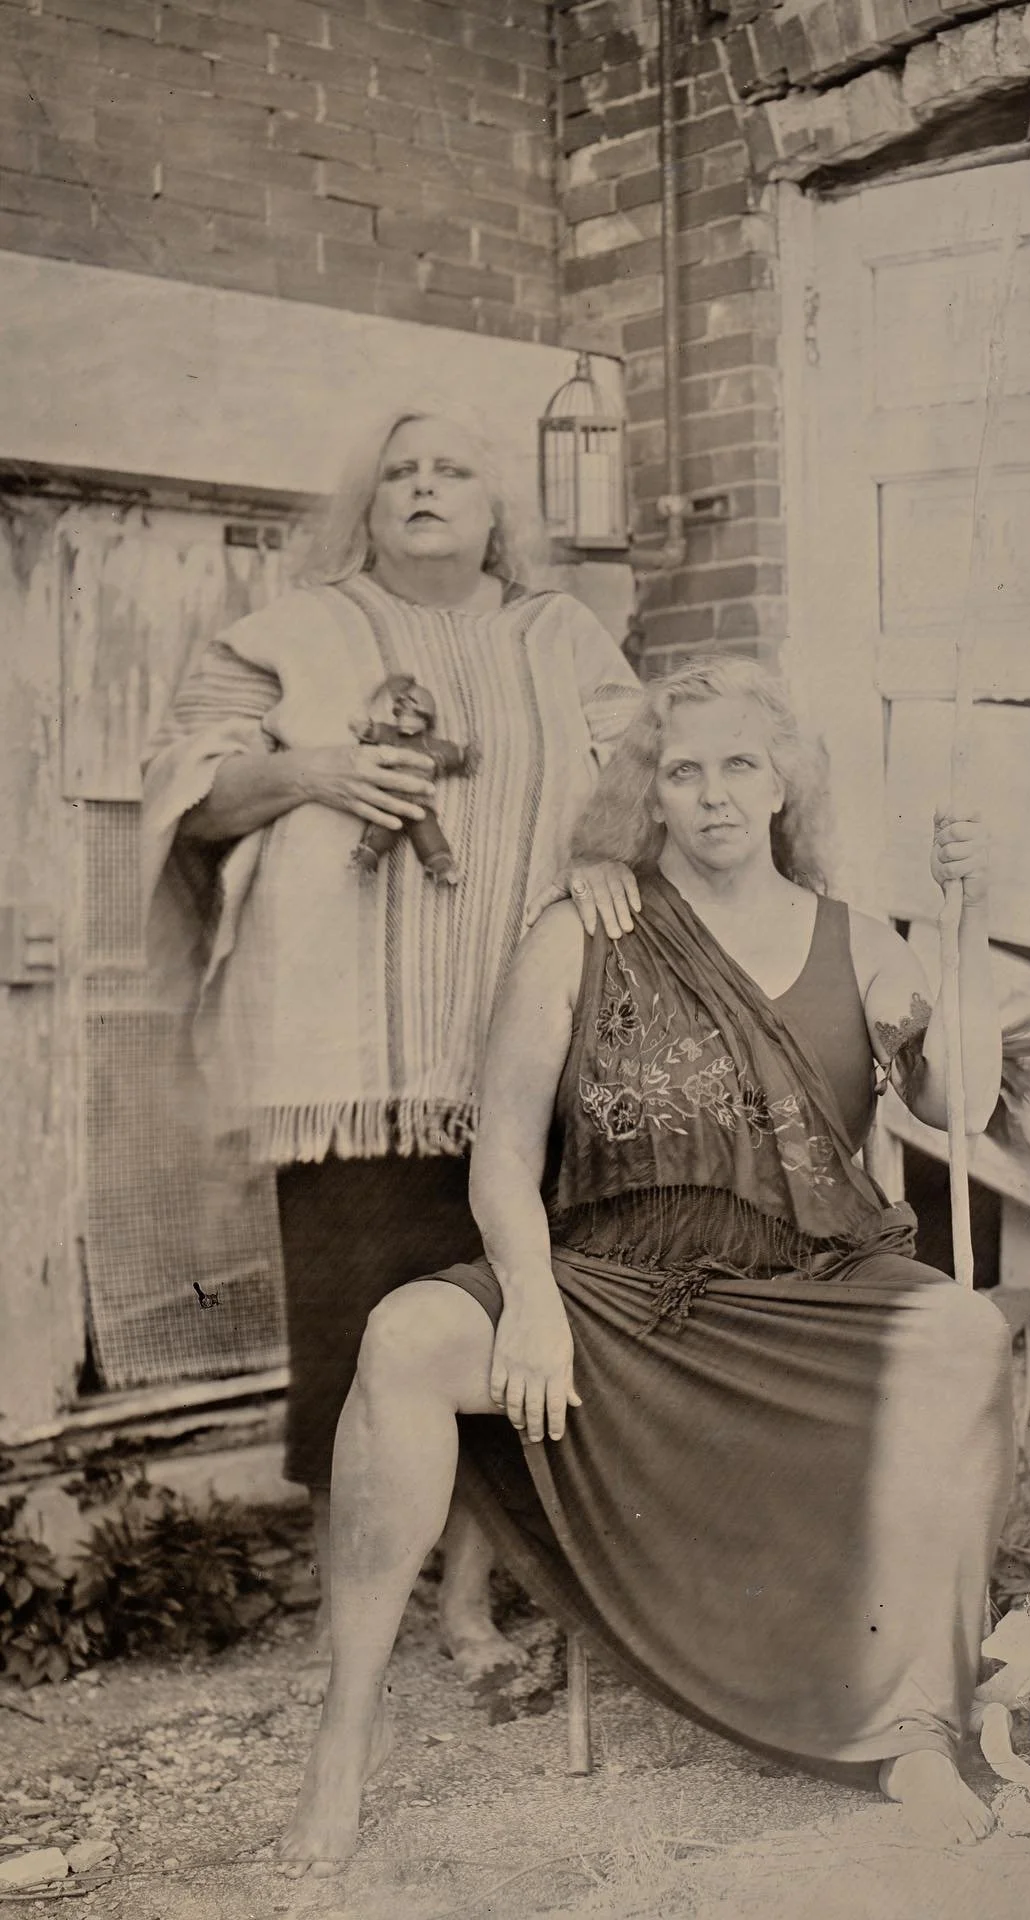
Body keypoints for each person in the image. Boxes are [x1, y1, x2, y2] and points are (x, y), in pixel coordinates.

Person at [278, 656, 1016, 1874]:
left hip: (809, 1286)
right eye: (683, 771)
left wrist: (968, 929)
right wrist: (530, 1303)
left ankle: (916, 1731)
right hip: (621, 1289)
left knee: (968, 1338)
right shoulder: (582, 931)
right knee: (405, 1336)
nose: (713, 795)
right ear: (649, 794)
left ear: (782, 785)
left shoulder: (863, 942)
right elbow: (502, 1158)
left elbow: (963, 1104)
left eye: (740, 766)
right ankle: (345, 1736)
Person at [142, 405, 645, 1699]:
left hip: (525, 1063)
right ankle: (353, 1617)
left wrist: (604, 846)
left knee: (500, 1329)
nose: (424, 487)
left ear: (498, 509)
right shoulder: (293, 633)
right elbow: (189, 795)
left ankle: (470, 1612)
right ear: (365, 507)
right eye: (400, 472)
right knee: (352, 1349)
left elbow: (641, 774)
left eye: (452, 470)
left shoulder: (562, 636)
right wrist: (311, 771)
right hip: (348, 1073)